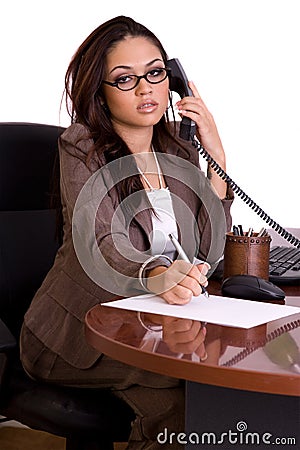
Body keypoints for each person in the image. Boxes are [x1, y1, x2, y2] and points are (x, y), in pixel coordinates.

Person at [20, 15, 233, 449]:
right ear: (98, 91)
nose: (145, 88)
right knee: (195, 388)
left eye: (155, 73)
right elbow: (97, 244)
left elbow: (210, 246)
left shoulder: (177, 146)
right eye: (124, 79)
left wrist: (217, 157)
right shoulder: (81, 147)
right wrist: (157, 274)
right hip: (76, 333)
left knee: (198, 396)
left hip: (159, 326)